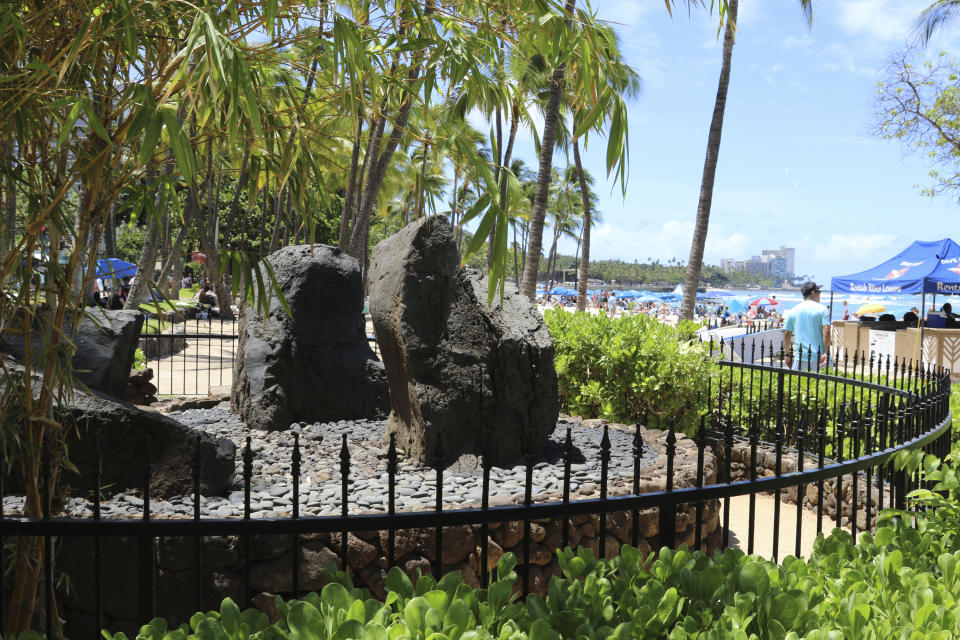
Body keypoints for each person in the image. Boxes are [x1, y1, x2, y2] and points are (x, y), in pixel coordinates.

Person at [783, 281, 831, 370]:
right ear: (813, 293)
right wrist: (826, 352)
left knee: (797, 383)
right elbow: (826, 331)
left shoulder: (793, 310)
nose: (820, 294)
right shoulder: (822, 309)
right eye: (819, 292)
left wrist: (787, 354)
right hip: (819, 357)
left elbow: (787, 334)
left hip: (800, 356)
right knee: (824, 383)